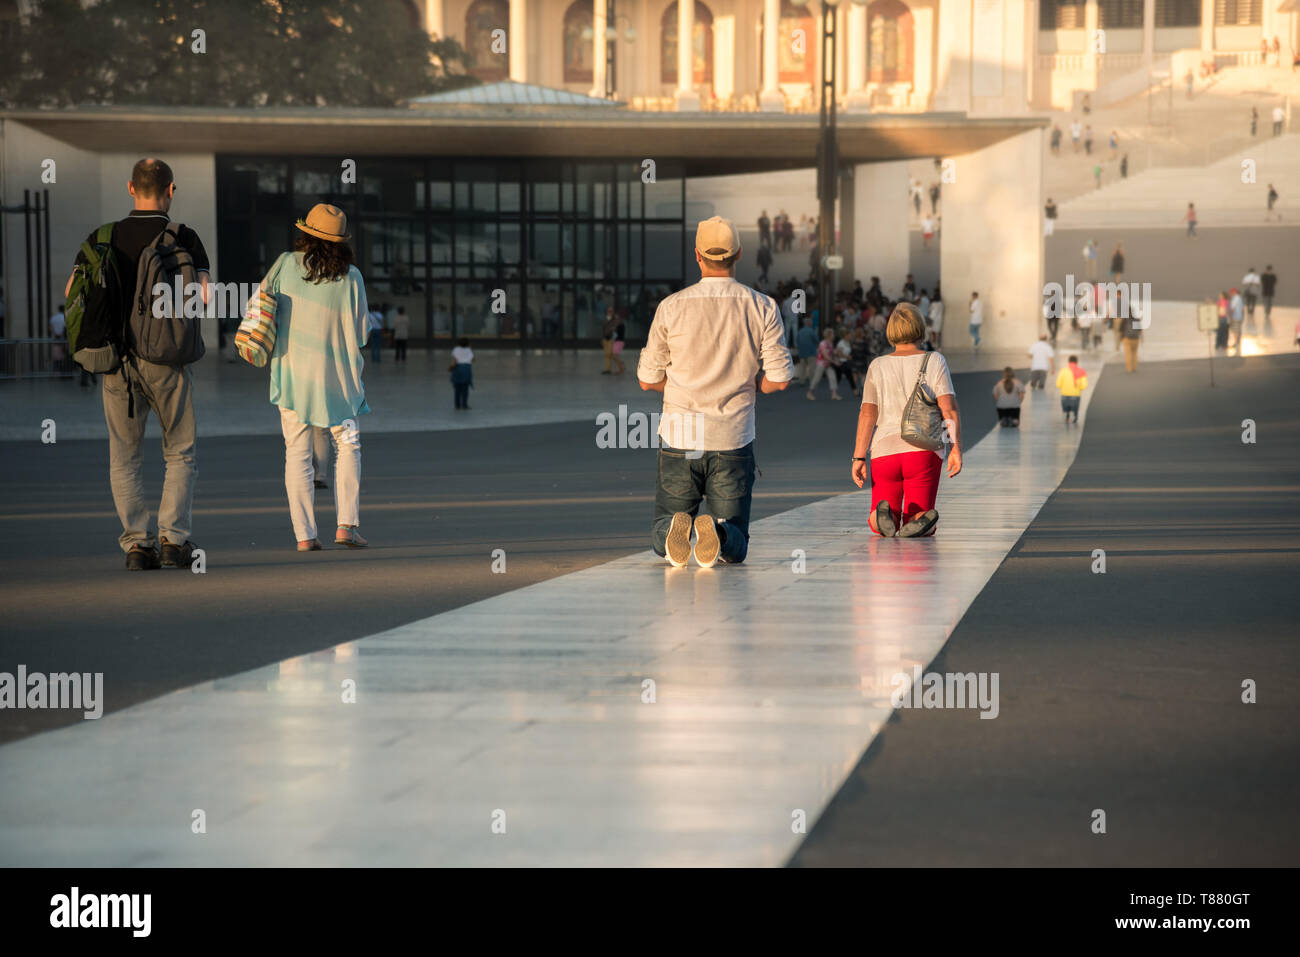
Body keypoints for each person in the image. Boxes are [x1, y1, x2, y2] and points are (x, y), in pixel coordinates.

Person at [65, 158, 209, 571]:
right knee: (180, 450)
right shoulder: (184, 237)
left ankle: (137, 547)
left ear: (131, 189)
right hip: (166, 361)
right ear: (171, 189)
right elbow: (203, 296)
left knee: (124, 457)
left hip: (115, 365)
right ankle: (173, 541)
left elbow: (71, 289)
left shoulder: (102, 237)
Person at [637, 216, 793, 567]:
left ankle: (675, 530)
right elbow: (780, 379)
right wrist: (752, 384)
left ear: (697, 255)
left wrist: (678, 385)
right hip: (732, 438)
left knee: (663, 533)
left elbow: (647, 379)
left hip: (680, 436)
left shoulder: (672, 306)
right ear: (738, 254)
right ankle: (719, 534)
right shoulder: (762, 306)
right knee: (735, 544)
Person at [262, 203, 370, 551]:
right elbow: (363, 333)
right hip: (339, 379)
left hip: (293, 377)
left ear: (305, 233)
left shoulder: (284, 264)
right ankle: (346, 526)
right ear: (341, 242)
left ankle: (305, 536)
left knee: (296, 452)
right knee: (348, 445)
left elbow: (260, 304)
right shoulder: (352, 277)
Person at [851, 303, 962, 539]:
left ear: (891, 331)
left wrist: (859, 457)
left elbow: (867, 414)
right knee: (918, 514)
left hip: (883, 450)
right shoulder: (935, 360)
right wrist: (955, 448)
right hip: (922, 451)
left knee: (884, 512)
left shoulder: (877, 365)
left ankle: (882, 518)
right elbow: (949, 410)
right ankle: (922, 520)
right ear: (920, 329)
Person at [806, 325, 841, 401]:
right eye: (833, 334)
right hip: (821, 363)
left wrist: (836, 354)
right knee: (816, 379)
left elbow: (831, 354)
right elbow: (826, 356)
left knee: (832, 377)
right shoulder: (823, 344)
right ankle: (810, 393)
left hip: (828, 364)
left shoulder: (830, 343)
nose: (834, 336)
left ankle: (834, 394)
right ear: (829, 335)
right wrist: (835, 362)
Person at [1055, 355, 1087, 424]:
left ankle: (1067, 415)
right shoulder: (1081, 371)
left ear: (1068, 361)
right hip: (1076, 394)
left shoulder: (1063, 371)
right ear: (1076, 362)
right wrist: (1079, 388)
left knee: (1066, 407)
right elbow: (1084, 385)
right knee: (1075, 407)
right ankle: (1075, 416)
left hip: (1065, 394)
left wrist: (1063, 387)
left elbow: (1058, 384)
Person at [450, 336, 474, 409]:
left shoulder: (456, 349)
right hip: (466, 369)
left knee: (457, 389)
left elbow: (454, 360)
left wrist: (451, 367)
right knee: (465, 389)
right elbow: (473, 359)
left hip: (457, 369)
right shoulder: (469, 350)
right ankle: (464, 404)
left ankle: (457, 405)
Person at [795, 315, 818, 385]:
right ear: (809, 323)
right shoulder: (811, 331)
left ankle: (801, 381)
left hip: (802, 352)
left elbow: (797, 341)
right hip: (811, 352)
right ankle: (812, 381)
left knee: (802, 368)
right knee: (812, 368)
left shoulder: (800, 331)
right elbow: (816, 340)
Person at [600, 306, 618, 374]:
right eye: (609, 311)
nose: (610, 312)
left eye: (611, 311)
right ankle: (608, 369)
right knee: (607, 354)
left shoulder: (614, 319)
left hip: (611, 338)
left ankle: (620, 365)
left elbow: (615, 327)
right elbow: (603, 328)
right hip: (605, 338)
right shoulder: (605, 319)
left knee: (610, 354)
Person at [1261, 264, 1277, 330]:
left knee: (1268, 303)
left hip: (1268, 291)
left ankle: (1268, 312)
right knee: (1266, 303)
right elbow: (1275, 282)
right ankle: (1267, 312)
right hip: (1267, 291)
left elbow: (1275, 282)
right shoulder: (1269, 275)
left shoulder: (1265, 275)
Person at [1229, 286, 1245, 352]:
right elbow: (1243, 309)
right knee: (1238, 330)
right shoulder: (1240, 298)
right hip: (1240, 316)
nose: (1230, 294)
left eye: (1231, 293)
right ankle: (1238, 342)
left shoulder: (1235, 299)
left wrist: (1230, 316)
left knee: (1235, 330)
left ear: (1234, 292)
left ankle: (1236, 343)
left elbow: (1232, 308)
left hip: (1236, 317)